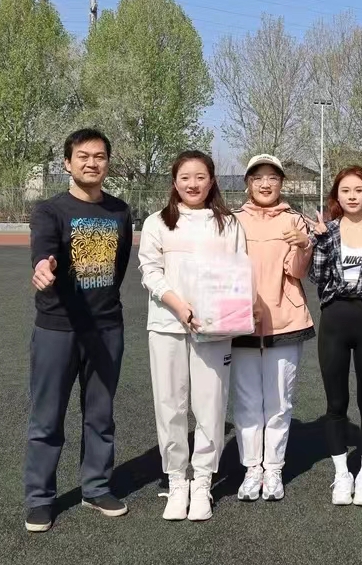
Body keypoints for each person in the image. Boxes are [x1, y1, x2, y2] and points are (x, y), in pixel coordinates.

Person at [24, 129, 134, 534]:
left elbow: (119, 266)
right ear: (67, 163)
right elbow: (43, 250)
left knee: (100, 415)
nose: (92, 163)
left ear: (108, 163)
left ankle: (96, 488)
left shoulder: (120, 211)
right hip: (58, 328)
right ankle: (40, 498)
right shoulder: (50, 210)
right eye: (83, 156)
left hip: (106, 328)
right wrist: (43, 267)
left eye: (99, 156)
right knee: (46, 418)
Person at [137, 150, 246, 522]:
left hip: (215, 328)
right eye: (185, 177)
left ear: (212, 180)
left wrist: (231, 311)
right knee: (170, 404)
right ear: (174, 181)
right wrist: (177, 304)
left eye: (200, 177)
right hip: (167, 325)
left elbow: (238, 272)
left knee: (210, 405)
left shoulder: (228, 223)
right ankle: (176, 480)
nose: (193, 184)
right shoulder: (157, 222)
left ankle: (202, 482)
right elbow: (150, 271)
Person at [308, 166, 362, 507]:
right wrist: (319, 241)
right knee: (336, 404)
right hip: (334, 323)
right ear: (337, 196)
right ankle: (342, 473)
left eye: (359, 190)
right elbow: (317, 276)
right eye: (345, 190)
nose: (352, 196)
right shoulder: (326, 231)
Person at [231, 154, 314, 503]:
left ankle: (274, 467)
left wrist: (303, 245)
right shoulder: (232, 221)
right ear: (248, 183)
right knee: (247, 401)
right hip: (241, 321)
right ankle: (252, 468)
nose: (265, 184)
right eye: (258, 177)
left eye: (273, 178)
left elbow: (297, 271)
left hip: (286, 320)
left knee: (280, 400)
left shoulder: (295, 220)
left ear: (282, 183)